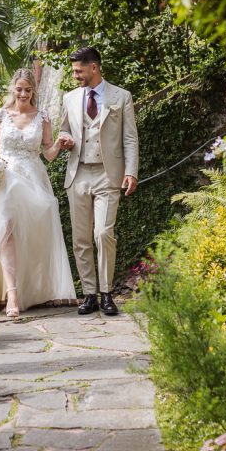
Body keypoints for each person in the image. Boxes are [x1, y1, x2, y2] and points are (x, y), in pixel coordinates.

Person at [0, 68, 77, 317]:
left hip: (34, 180)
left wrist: (60, 145)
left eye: (28, 90)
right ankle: (12, 293)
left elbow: (48, 154)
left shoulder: (42, 117)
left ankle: (35, 289)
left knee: (30, 236)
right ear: (13, 89)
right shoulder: (0, 116)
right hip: (6, 180)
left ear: (33, 91)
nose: (23, 94)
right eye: (19, 89)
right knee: (6, 231)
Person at [58, 47, 139, 316]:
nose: (75, 75)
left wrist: (131, 171)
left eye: (78, 70)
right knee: (81, 238)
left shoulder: (121, 96)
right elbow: (64, 129)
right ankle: (89, 294)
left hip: (108, 173)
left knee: (103, 233)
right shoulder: (69, 98)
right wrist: (65, 138)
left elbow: (129, 137)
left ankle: (107, 293)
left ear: (94, 67)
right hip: (78, 172)